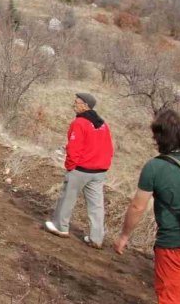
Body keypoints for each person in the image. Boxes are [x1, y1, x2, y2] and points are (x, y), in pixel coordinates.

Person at [114, 109, 180, 303]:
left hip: (175, 246)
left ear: (158, 138)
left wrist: (124, 236)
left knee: (171, 297)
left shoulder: (154, 167)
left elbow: (138, 207)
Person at [44, 92, 114, 248]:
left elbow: (74, 148)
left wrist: (70, 166)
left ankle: (61, 227)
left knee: (67, 198)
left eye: (76, 103)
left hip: (81, 169)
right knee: (96, 205)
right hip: (99, 171)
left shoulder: (79, 123)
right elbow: (108, 148)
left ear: (85, 106)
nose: (73, 105)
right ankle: (96, 238)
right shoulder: (103, 124)